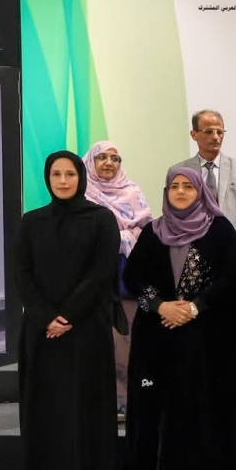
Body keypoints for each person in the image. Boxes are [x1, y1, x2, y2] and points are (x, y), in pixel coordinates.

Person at [122, 171, 236, 470]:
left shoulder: (219, 229)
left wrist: (196, 306)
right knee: (161, 406)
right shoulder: (153, 231)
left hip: (208, 337)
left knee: (203, 404)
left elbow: (235, 275)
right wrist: (160, 306)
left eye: (188, 186)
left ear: (201, 191)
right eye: (174, 187)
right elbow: (133, 277)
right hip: (158, 336)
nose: (180, 192)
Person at [14, 151, 122, 470]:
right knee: (45, 406)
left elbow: (101, 273)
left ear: (81, 177)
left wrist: (69, 316)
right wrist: (46, 316)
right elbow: (22, 274)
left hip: (87, 327)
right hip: (41, 330)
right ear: (48, 179)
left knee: (86, 403)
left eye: (70, 174)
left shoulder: (101, 219)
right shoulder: (31, 222)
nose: (63, 181)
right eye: (56, 175)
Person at [82, 141, 153, 413]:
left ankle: (128, 401)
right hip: (94, 280)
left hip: (127, 279)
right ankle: (102, 404)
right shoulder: (83, 195)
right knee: (99, 343)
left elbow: (148, 232)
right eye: (101, 157)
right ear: (90, 162)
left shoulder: (133, 192)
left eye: (115, 158)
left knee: (128, 342)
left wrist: (123, 238)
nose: (109, 163)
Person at [171, 109, 236, 248]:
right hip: (193, 245)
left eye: (220, 132)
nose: (216, 137)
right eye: (208, 132)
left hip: (232, 244)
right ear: (194, 134)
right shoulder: (179, 172)